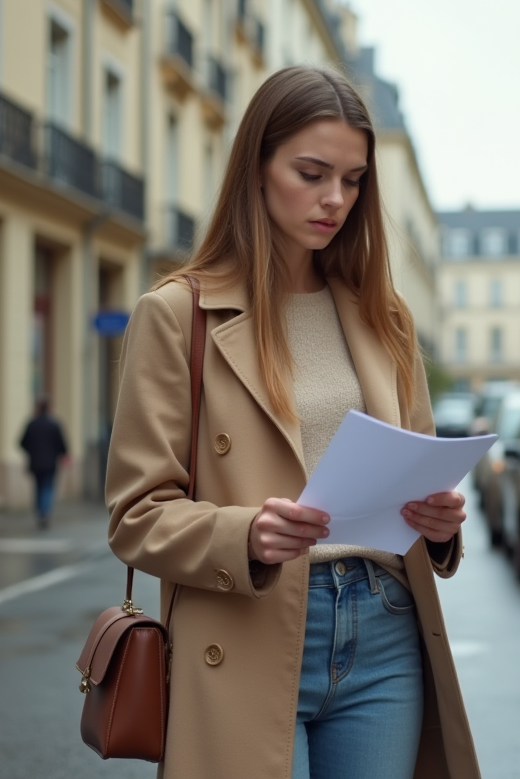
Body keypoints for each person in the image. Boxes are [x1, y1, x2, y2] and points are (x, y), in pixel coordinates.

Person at [105, 66, 480, 779]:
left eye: (353, 179)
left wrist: (440, 523)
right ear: (258, 167)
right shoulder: (178, 314)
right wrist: (244, 533)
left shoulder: (384, 320)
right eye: (311, 173)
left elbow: (420, 466)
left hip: (384, 631)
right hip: (248, 630)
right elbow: (135, 514)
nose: (334, 199)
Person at [19, 396, 67, 529]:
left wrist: (31, 451)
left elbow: (22, 442)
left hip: (36, 462)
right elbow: (61, 443)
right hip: (50, 462)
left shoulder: (32, 424)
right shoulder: (54, 424)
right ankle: (44, 512)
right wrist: (62, 454)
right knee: (48, 487)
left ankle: (40, 511)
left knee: (38, 487)